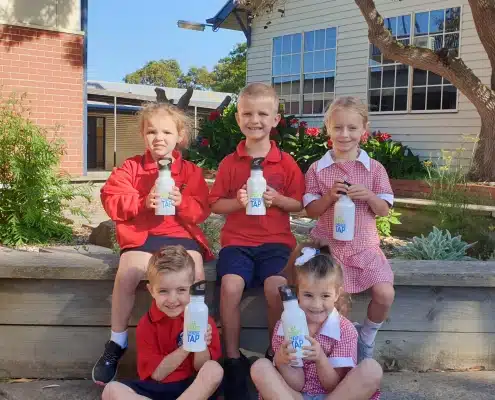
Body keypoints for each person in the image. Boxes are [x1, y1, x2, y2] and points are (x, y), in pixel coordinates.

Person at [93, 102, 213, 385]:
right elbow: (111, 199)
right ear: (143, 135)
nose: (159, 138)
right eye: (152, 132)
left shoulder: (190, 172)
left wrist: (183, 203)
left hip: (180, 235)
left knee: (195, 274)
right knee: (128, 273)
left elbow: (202, 210)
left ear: (180, 136)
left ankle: (194, 334)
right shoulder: (131, 167)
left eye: (167, 132)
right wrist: (142, 201)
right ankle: (117, 341)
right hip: (143, 236)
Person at [209, 82, 305, 399]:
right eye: (248, 114)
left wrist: (278, 199)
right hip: (237, 242)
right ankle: (233, 359)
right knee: (230, 286)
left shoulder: (286, 162)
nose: (255, 120)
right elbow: (215, 204)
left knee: (277, 287)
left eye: (263, 114)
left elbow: (299, 204)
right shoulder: (230, 162)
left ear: (275, 119)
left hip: (276, 243)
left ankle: (275, 353)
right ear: (238, 119)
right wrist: (237, 203)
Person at [303, 96, 395, 362]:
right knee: (336, 303)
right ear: (328, 128)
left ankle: (366, 337)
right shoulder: (318, 169)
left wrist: (370, 196)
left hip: (365, 248)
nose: (344, 134)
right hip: (329, 248)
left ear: (364, 129)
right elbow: (311, 211)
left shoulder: (374, 169)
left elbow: (384, 210)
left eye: (352, 128)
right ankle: (338, 352)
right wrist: (328, 197)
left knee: (385, 293)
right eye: (338, 127)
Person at [250, 243, 382, 400]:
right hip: (295, 396)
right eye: (308, 295)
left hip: (334, 396)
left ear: (337, 294)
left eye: (325, 296)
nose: (316, 305)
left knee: (372, 369)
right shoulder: (285, 327)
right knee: (260, 367)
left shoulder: (345, 330)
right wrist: (281, 362)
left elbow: (333, 385)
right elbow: (297, 384)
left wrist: (320, 359)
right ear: (297, 293)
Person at [101, 245, 223, 400]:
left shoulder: (202, 319)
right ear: (151, 290)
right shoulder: (147, 325)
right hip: (157, 388)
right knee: (111, 390)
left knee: (214, 369)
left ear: (192, 288)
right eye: (163, 291)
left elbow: (201, 367)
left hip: (193, 389)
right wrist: (186, 347)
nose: (172, 299)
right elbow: (158, 375)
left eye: (181, 290)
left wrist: (200, 345)